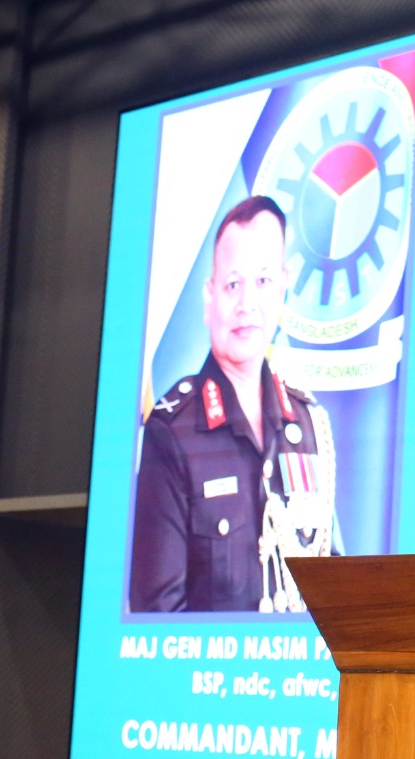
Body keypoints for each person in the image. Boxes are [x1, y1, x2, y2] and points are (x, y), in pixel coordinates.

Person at [130, 195, 342, 614]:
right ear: (209, 299)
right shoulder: (172, 433)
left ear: (282, 289)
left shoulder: (309, 425)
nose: (247, 304)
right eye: (232, 285)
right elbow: (157, 616)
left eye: (262, 282)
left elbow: (333, 587)